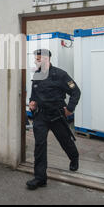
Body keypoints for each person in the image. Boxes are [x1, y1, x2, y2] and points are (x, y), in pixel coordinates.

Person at [26, 48, 81, 190]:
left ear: (46, 59)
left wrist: (70, 108)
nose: (36, 61)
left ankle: (74, 157)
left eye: (38, 59)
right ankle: (40, 178)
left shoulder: (61, 75)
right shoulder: (37, 75)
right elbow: (34, 94)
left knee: (65, 141)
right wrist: (32, 102)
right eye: (35, 58)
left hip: (57, 115)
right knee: (39, 145)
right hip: (41, 116)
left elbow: (75, 91)